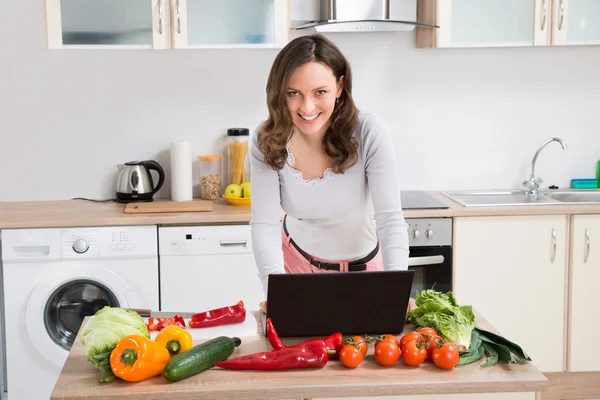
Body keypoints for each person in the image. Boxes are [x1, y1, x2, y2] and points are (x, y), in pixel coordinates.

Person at [250, 34, 413, 314]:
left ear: (339, 87)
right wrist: (272, 287)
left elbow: (389, 219)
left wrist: (397, 288)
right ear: (279, 93)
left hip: (366, 272)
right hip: (295, 270)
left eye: (320, 92)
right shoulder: (266, 140)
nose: (307, 107)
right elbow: (264, 224)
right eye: (293, 93)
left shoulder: (368, 133)